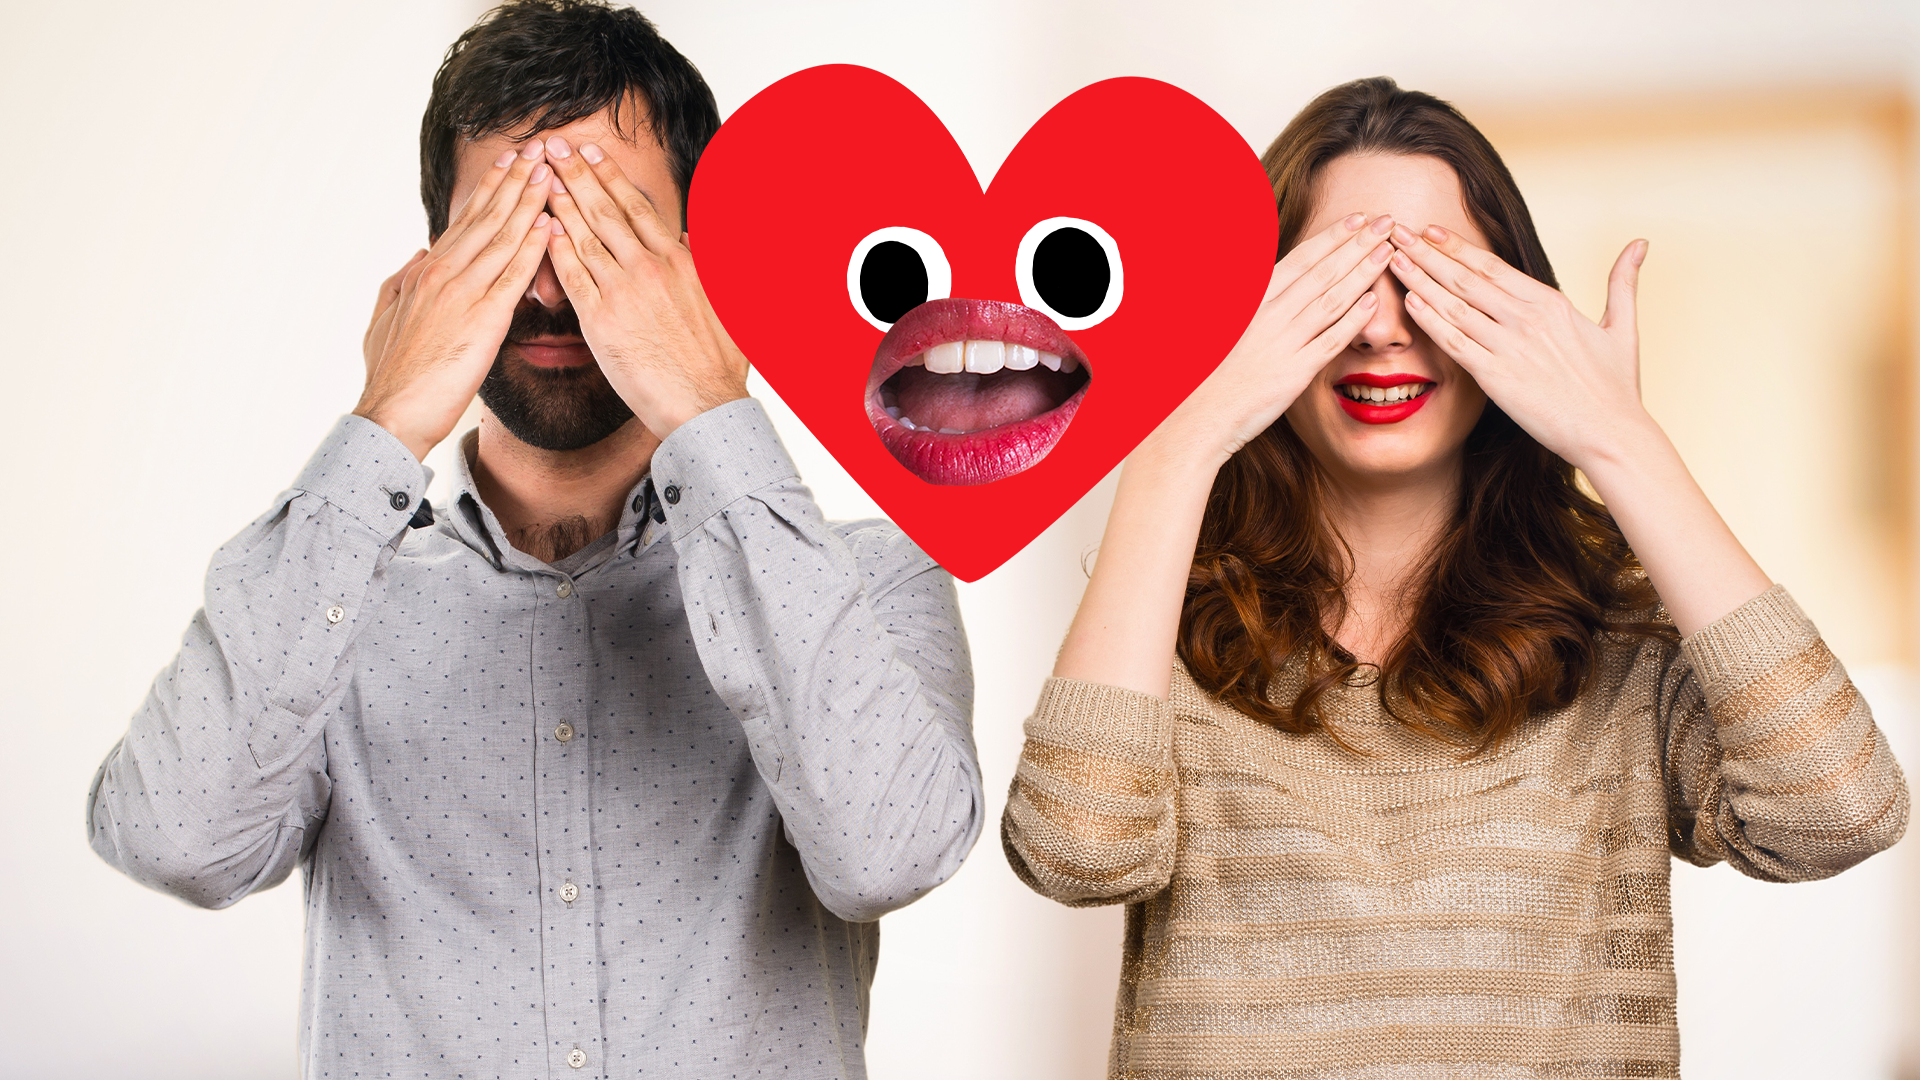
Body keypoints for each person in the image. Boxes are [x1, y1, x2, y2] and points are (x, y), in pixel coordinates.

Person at [87, 3, 983, 1077]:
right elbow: (173, 842)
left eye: (605, 227)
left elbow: (890, 854)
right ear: (433, 271)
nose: (552, 289)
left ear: (700, 263)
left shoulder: (868, 580)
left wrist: (710, 408)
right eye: (510, 229)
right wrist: (384, 422)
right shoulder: (325, 592)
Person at [1002, 76, 1908, 1077]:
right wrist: (1178, 441)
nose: (1382, 328)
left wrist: (1621, 440)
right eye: (1338, 278)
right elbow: (1075, 851)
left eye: (1432, 278)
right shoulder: (1162, 617)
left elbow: (1840, 810)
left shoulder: (1621, 631)